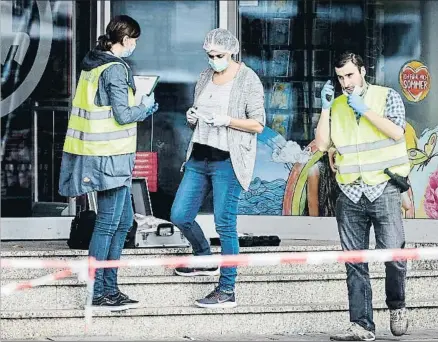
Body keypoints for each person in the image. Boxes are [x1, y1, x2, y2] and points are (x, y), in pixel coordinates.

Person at [59, 15, 158, 311]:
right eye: (135, 40)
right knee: (108, 224)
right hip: (110, 158)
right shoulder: (114, 69)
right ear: (126, 40)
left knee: (124, 221)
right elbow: (122, 115)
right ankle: (99, 292)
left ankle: (109, 289)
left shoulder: (93, 65)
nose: (135, 45)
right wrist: (145, 107)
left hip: (105, 154)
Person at [315, 52, 410, 341]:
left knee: (393, 254)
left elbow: (396, 132)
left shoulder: (387, 96)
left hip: (383, 187)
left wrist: (364, 109)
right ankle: (362, 325)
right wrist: (325, 109)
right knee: (354, 261)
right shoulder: (337, 105)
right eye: (340, 77)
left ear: (362, 71)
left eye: (350, 75)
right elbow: (321, 144)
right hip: (350, 191)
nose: (345, 82)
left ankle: (397, 305)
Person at [170, 28, 265, 309]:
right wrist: (192, 118)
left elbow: (258, 123)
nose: (213, 60)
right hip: (199, 157)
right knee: (179, 214)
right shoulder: (204, 77)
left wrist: (227, 120)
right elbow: (199, 114)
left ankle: (227, 289)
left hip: (229, 159)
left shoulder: (248, 80)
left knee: (225, 224)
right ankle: (203, 256)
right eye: (210, 55)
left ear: (232, 52)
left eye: (219, 55)